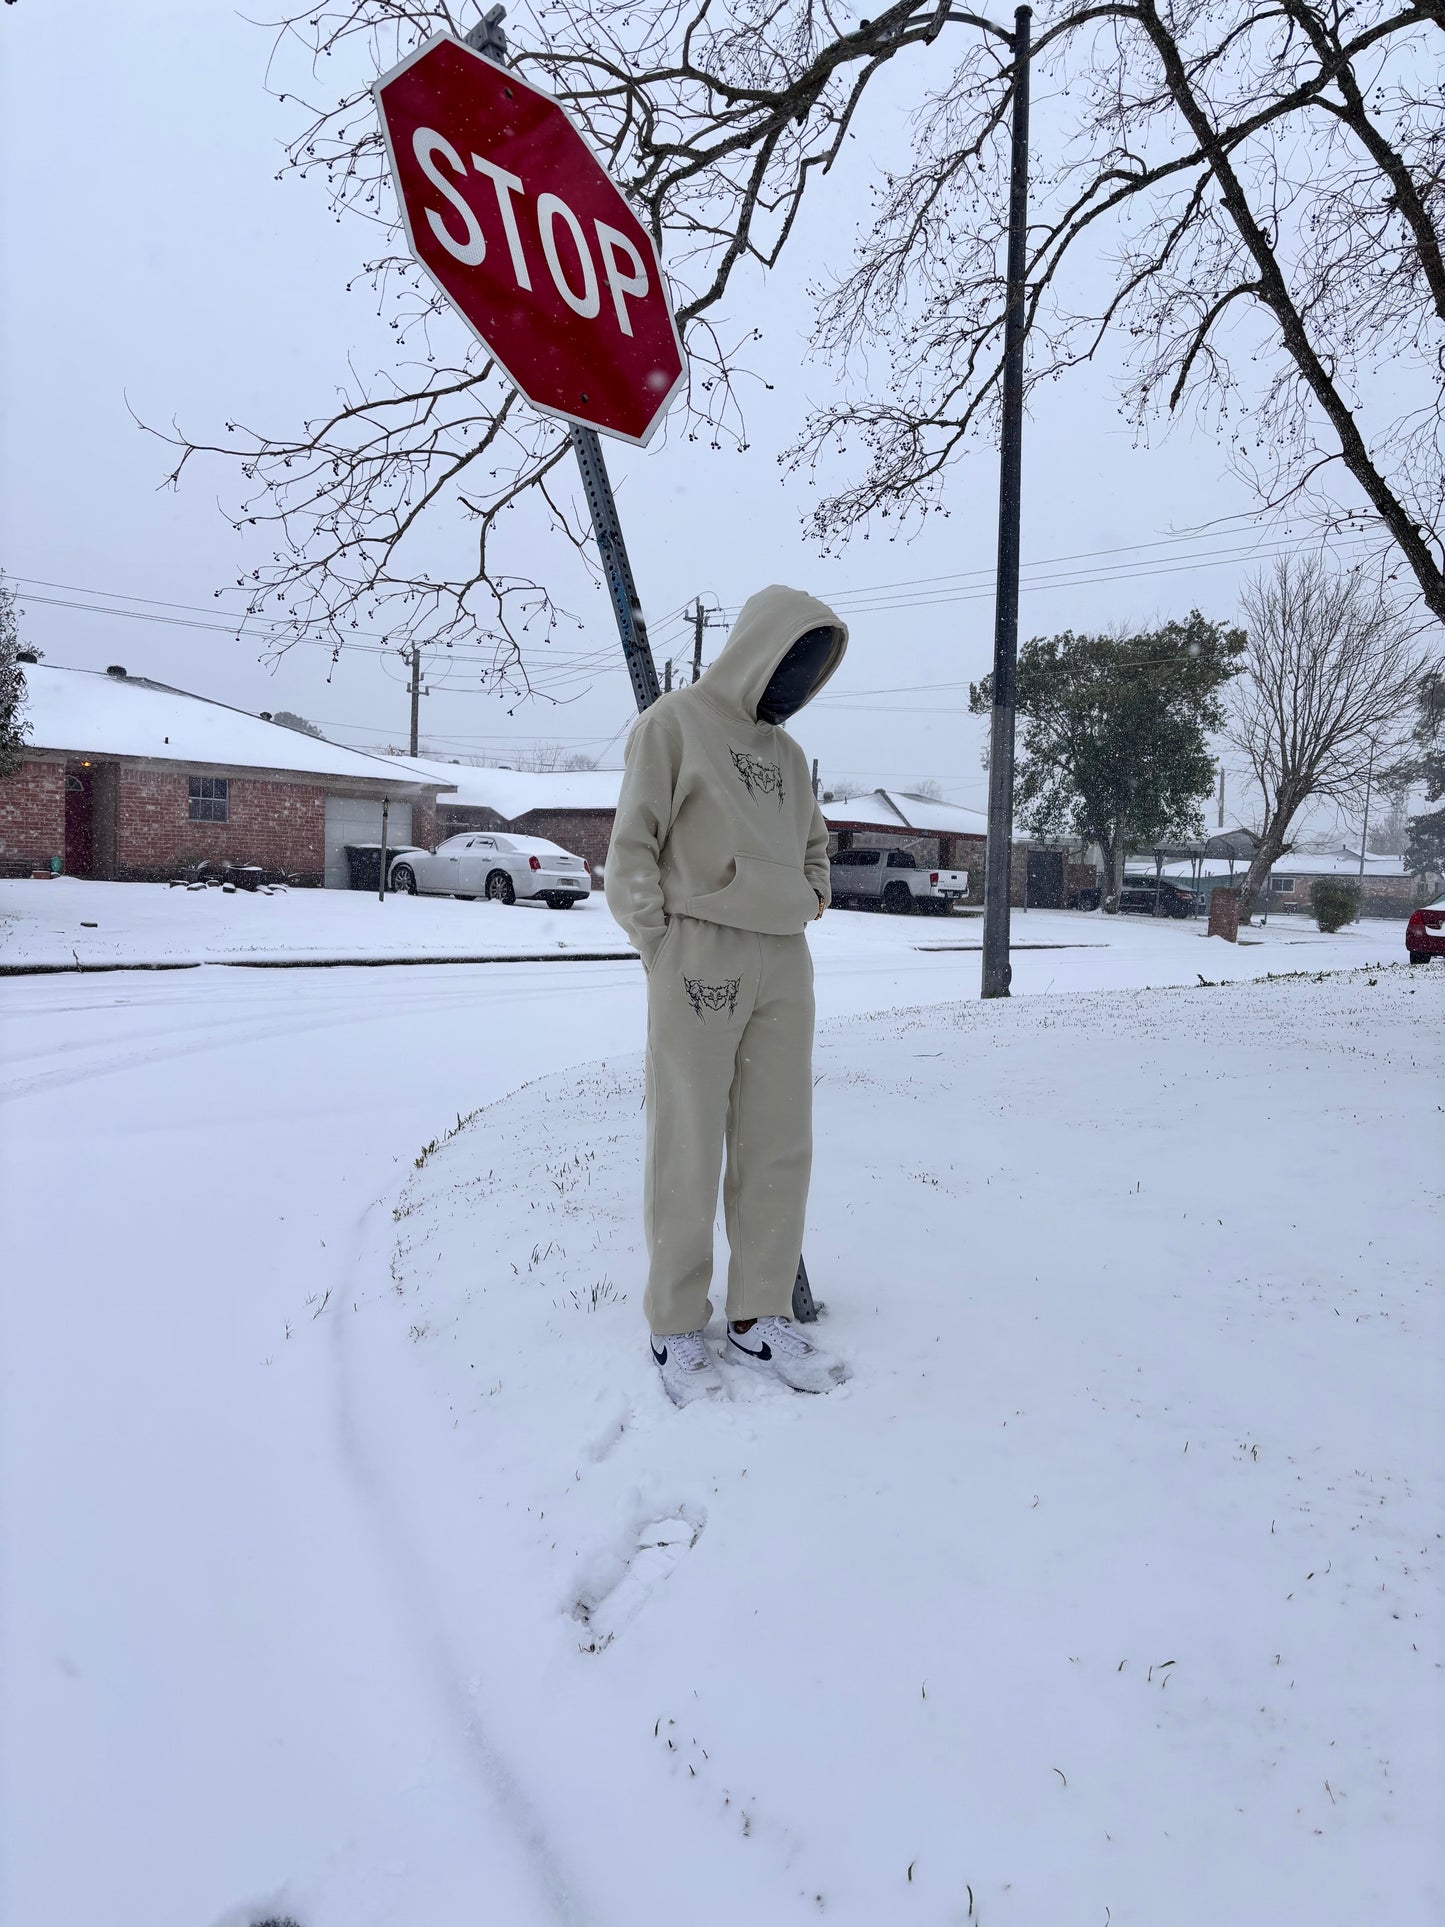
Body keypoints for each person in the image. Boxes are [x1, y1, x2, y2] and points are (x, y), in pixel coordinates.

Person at [605, 585, 851, 1405]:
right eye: (792, 658)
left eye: (811, 666)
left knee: (780, 1139)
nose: (798, 678)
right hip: (698, 951)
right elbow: (631, 847)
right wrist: (659, 942)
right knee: (688, 1141)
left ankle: (758, 1316)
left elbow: (814, 840)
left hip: (785, 955)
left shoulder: (785, 754)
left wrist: (813, 894)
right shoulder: (671, 724)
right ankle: (676, 1323)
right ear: (757, 648)